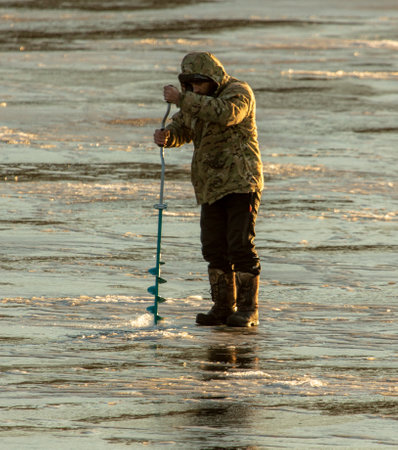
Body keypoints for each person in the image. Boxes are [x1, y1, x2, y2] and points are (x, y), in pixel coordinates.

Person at [153, 51, 263, 327]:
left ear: (212, 79)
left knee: (240, 246)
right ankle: (223, 307)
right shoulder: (194, 103)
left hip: (241, 183)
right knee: (214, 248)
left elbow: (227, 114)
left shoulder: (238, 92)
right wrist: (167, 137)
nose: (194, 89)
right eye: (189, 85)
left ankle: (249, 310)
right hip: (210, 186)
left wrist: (183, 99)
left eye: (198, 83)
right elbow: (182, 129)